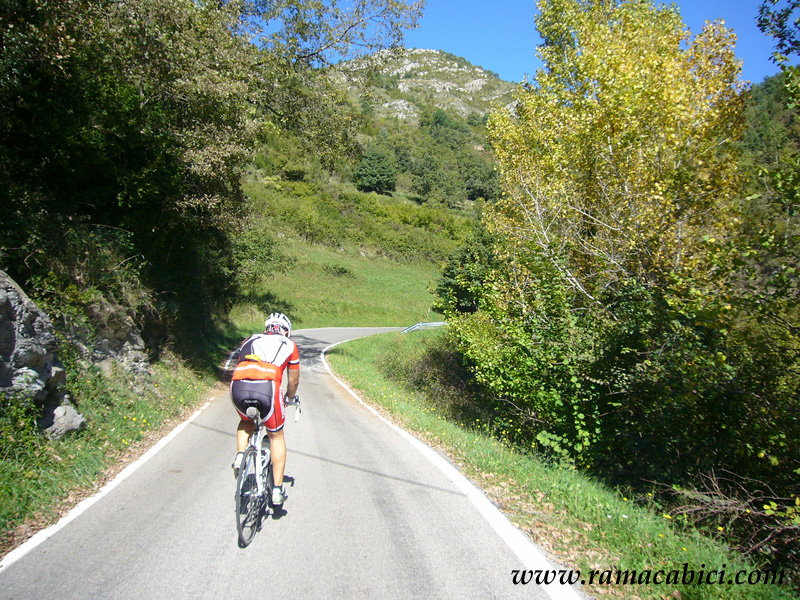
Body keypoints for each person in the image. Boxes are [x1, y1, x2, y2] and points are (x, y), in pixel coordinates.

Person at [230, 312, 299, 505]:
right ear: (286, 331)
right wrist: (290, 398)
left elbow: (242, 363)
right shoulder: (289, 345)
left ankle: (240, 455)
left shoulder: (249, 339)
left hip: (238, 383)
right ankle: (277, 490)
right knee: (276, 435)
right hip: (267, 387)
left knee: (246, 420)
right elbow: (293, 380)